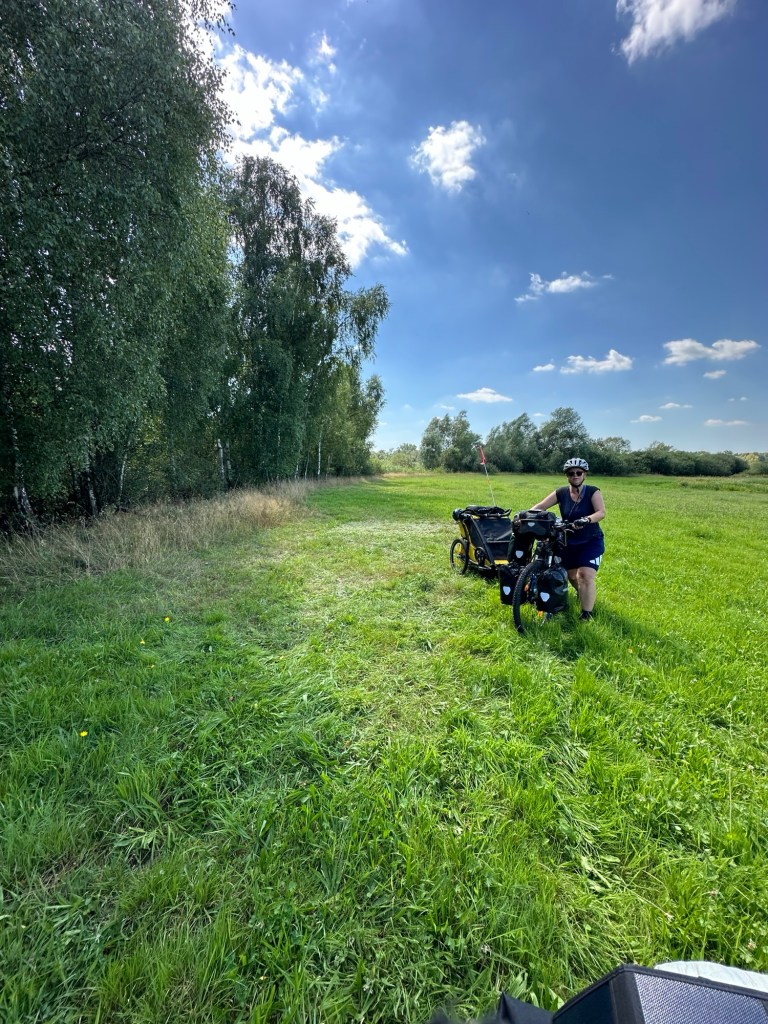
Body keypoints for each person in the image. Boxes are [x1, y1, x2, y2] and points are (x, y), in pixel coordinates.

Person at [530, 457, 605, 620]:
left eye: (579, 473)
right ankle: (583, 593)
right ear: (567, 476)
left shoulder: (593, 491)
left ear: (584, 475)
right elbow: (541, 506)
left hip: (590, 541)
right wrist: (526, 515)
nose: (575, 476)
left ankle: (586, 615)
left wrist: (586, 519)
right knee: (571, 576)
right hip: (567, 541)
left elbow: (601, 512)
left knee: (585, 575)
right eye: (571, 473)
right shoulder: (561, 492)